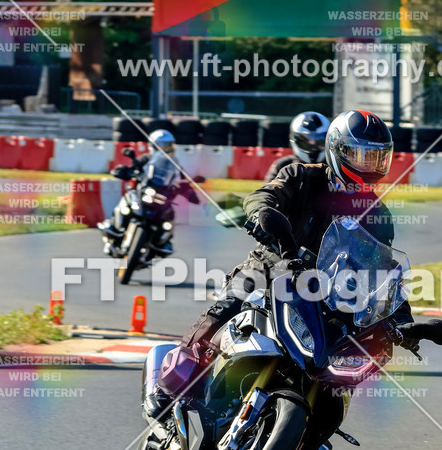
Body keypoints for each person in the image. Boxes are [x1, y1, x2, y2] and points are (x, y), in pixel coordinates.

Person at [146, 109, 413, 415]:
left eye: (377, 158)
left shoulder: (377, 213)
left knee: (343, 359)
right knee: (226, 307)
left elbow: (381, 268)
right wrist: (264, 214)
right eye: (361, 156)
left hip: (326, 295)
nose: (369, 166)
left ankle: (313, 427)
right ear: (337, 150)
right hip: (272, 267)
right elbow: (261, 197)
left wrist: (402, 318)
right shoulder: (301, 176)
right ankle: (168, 387)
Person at [262, 111, 329, 183]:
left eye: (318, 139)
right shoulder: (283, 165)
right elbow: (269, 189)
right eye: (307, 139)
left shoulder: (333, 166)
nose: (313, 143)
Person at [110, 129, 175, 182]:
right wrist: (124, 171)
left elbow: (179, 175)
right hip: (146, 188)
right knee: (131, 193)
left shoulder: (172, 162)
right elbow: (133, 168)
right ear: (153, 145)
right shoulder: (145, 158)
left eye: (169, 146)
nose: (166, 149)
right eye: (164, 146)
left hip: (165, 190)